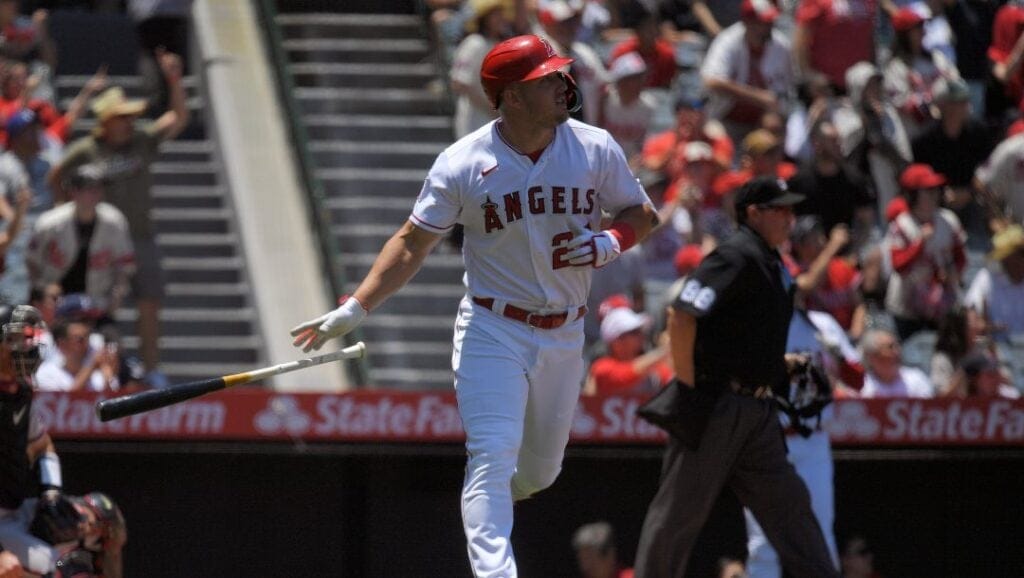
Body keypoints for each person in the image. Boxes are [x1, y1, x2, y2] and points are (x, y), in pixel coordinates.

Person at [289, 35, 656, 578]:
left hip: (564, 333)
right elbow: (413, 242)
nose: (563, 85)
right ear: (510, 96)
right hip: (493, 326)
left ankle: (501, 498)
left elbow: (641, 213)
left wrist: (610, 242)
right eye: (547, 79)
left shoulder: (594, 146)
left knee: (539, 472)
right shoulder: (464, 161)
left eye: (560, 75)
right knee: (491, 454)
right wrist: (356, 306)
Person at [634, 177, 838, 578]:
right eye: (780, 209)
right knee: (678, 514)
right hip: (717, 406)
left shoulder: (769, 259)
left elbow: (740, 337)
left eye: (791, 209)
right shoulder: (736, 254)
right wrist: (690, 387)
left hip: (757, 413)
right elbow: (682, 314)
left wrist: (783, 363)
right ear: (753, 213)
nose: (789, 217)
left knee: (791, 509)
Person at [47, 49, 189, 388]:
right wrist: (69, 212)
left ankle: (151, 368)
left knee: (149, 300)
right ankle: (92, 370)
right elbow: (55, 177)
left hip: (141, 234)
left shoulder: (142, 140)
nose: (127, 122)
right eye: (120, 117)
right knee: (97, 307)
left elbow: (178, 118)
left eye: (129, 116)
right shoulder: (88, 150)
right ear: (105, 121)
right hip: (102, 241)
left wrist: (174, 80)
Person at [0, 305, 127, 577]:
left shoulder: (20, 391)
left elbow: (43, 445)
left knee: (106, 518)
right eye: (16, 342)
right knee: (59, 567)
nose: (27, 349)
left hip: (17, 507)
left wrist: (51, 493)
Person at [27, 163, 135, 325]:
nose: (95, 194)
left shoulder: (114, 222)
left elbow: (125, 266)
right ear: (73, 192)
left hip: (97, 302)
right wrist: (42, 291)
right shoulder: (50, 223)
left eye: (98, 188)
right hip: (55, 304)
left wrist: (115, 298)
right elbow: (31, 260)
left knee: (108, 345)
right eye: (88, 189)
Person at [883, 164, 966, 340]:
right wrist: (919, 243)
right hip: (907, 309)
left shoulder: (948, 220)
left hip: (942, 306)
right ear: (913, 194)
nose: (934, 195)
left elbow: (961, 258)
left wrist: (953, 274)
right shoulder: (901, 225)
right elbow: (899, 265)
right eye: (927, 191)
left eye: (935, 189)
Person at [701, 0, 794, 150]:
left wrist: (772, 111)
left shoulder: (781, 46)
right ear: (747, 22)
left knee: (776, 128)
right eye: (762, 23)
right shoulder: (728, 41)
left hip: (761, 123)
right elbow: (711, 81)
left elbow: (784, 92)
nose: (768, 27)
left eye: (770, 22)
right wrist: (756, 97)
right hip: (725, 119)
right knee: (714, 138)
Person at [585, 306, 671, 396]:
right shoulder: (602, 367)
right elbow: (627, 374)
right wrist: (666, 350)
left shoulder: (653, 370)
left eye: (640, 331)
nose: (641, 335)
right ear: (617, 342)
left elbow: (670, 380)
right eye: (634, 332)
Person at [964, 224, 1024, 340]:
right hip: (998, 350)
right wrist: (985, 326)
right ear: (1006, 258)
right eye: (1021, 253)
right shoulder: (986, 279)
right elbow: (970, 317)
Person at [858, 327, 935, 397]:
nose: (897, 352)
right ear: (873, 356)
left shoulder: (916, 379)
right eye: (890, 347)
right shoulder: (862, 384)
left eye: (897, 346)